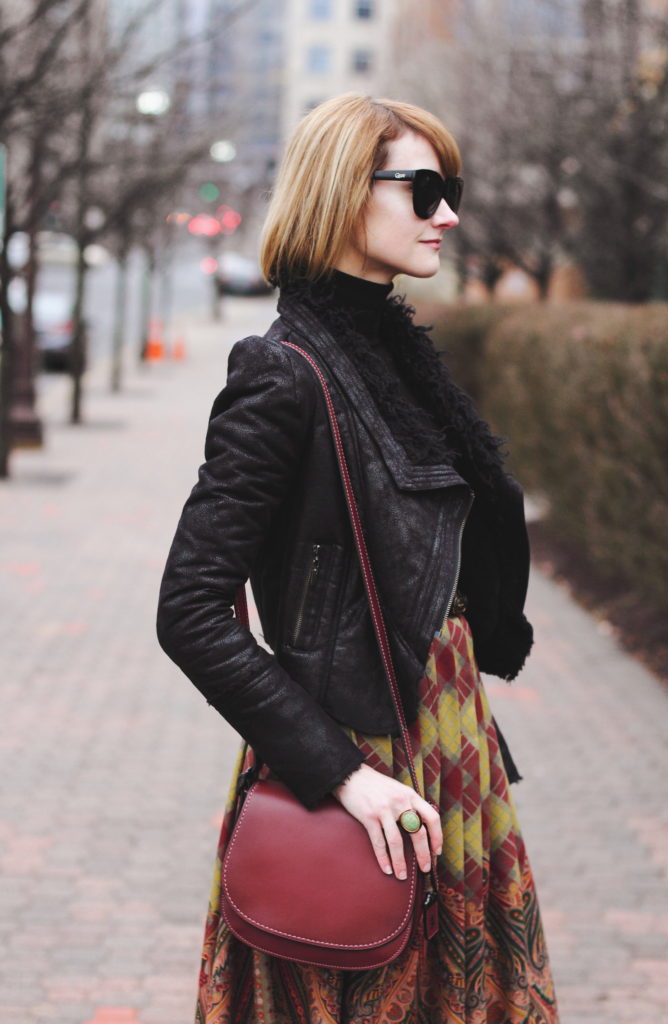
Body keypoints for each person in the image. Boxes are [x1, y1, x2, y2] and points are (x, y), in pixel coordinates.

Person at [157, 93, 559, 1024]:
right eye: (423, 190)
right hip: (361, 757)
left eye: (448, 190)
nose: (447, 214)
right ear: (343, 192)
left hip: (450, 742)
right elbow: (188, 608)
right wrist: (339, 772)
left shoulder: (395, 358)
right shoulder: (283, 372)